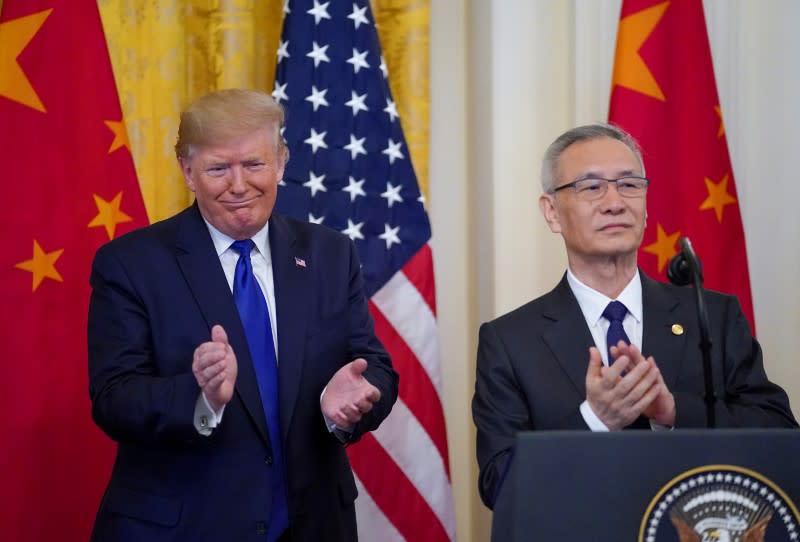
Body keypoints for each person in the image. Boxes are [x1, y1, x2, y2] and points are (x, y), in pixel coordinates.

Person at [88, 89, 398, 541]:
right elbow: (113, 399)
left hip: (312, 526)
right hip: (185, 529)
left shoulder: (330, 254)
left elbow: (376, 369)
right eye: (218, 168)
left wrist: (347, 405)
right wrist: (201, 396)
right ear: (188, 171)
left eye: (254, 165)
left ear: (281, 162)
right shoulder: (130, 264)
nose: (238, 185)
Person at [471, 123, 797, 509]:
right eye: (590, 187)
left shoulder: (713, 315)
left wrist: (672, 411)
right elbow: (499, 486)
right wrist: (595, 419)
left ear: (645, 204)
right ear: (552, 212)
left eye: (629, 185)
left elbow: (781, 438)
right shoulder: (510, 341)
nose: (614, 202)